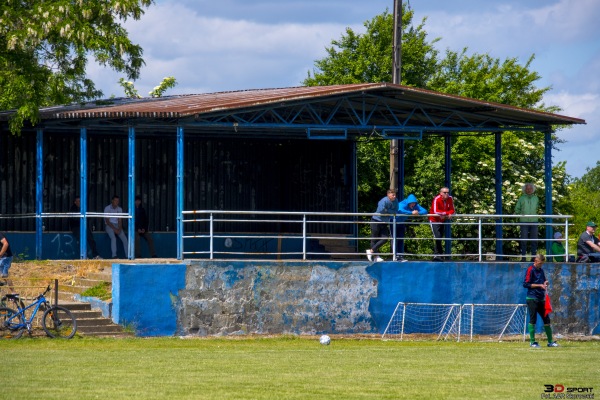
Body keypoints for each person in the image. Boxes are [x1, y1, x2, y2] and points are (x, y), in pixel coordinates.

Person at [523, 254, 559, 348]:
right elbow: (526, 284)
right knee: (533, 319)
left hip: (540, 298)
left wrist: (546, 283)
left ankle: (550, 342)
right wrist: (539, 285)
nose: (541, 265)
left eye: (542, 264)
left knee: (546, 319)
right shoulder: (530, 269)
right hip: (532, 298)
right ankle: (532, 342)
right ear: (535, 260)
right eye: (540, 263)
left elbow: (544, 281)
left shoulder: (541, 270)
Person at [392, 194, 428, 262]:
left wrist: (418, 213)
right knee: (394, 238)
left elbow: (425, 211)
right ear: (408, 202)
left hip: (401, 222)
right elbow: (400, 210)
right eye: (412, 203)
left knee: (401, 238)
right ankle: (394, 255)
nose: (413, 205)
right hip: (394, 222)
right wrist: (411, 212)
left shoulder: (415, 205)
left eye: (414, 203)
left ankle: (400, 256)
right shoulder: (402, 203)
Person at [367, 189, 398, 262]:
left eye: (395, 195)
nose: (394, 196)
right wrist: (389, 211)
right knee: (374, 238)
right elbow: (381, 210)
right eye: (393, 195)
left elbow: (395, 211)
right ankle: (376, 256)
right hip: (376, 220)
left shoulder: (396, 201)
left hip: (384, 222)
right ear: (388, 195)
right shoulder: (384, 200)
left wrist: (388, 210)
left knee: (385, 238)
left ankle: (371, 251)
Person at [429, 187, 455, 261]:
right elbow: (435, 211)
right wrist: (447, 213)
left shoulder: (450, 198)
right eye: (444, 192)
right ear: (440, 193)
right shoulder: (437, 199)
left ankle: (439, 255)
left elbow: (452, 209)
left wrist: (449, 213)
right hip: (434, 220)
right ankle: (438, 254)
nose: (446, 194)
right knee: (437, 237)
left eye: (447, 192)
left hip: (442, 220)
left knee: (440, 236)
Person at [514, 183, 539, 262]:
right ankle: (523, 257)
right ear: (525, 190)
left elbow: (538, 208)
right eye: (527, 189)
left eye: (530, 189)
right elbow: (517, 209)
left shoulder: (536, 198)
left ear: (533, 189)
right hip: (524, 221)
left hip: (534, 221)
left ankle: (533, 257)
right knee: (523, 240)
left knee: (534, 240)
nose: (529, 190)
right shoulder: (521, 198)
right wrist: (520, 214)